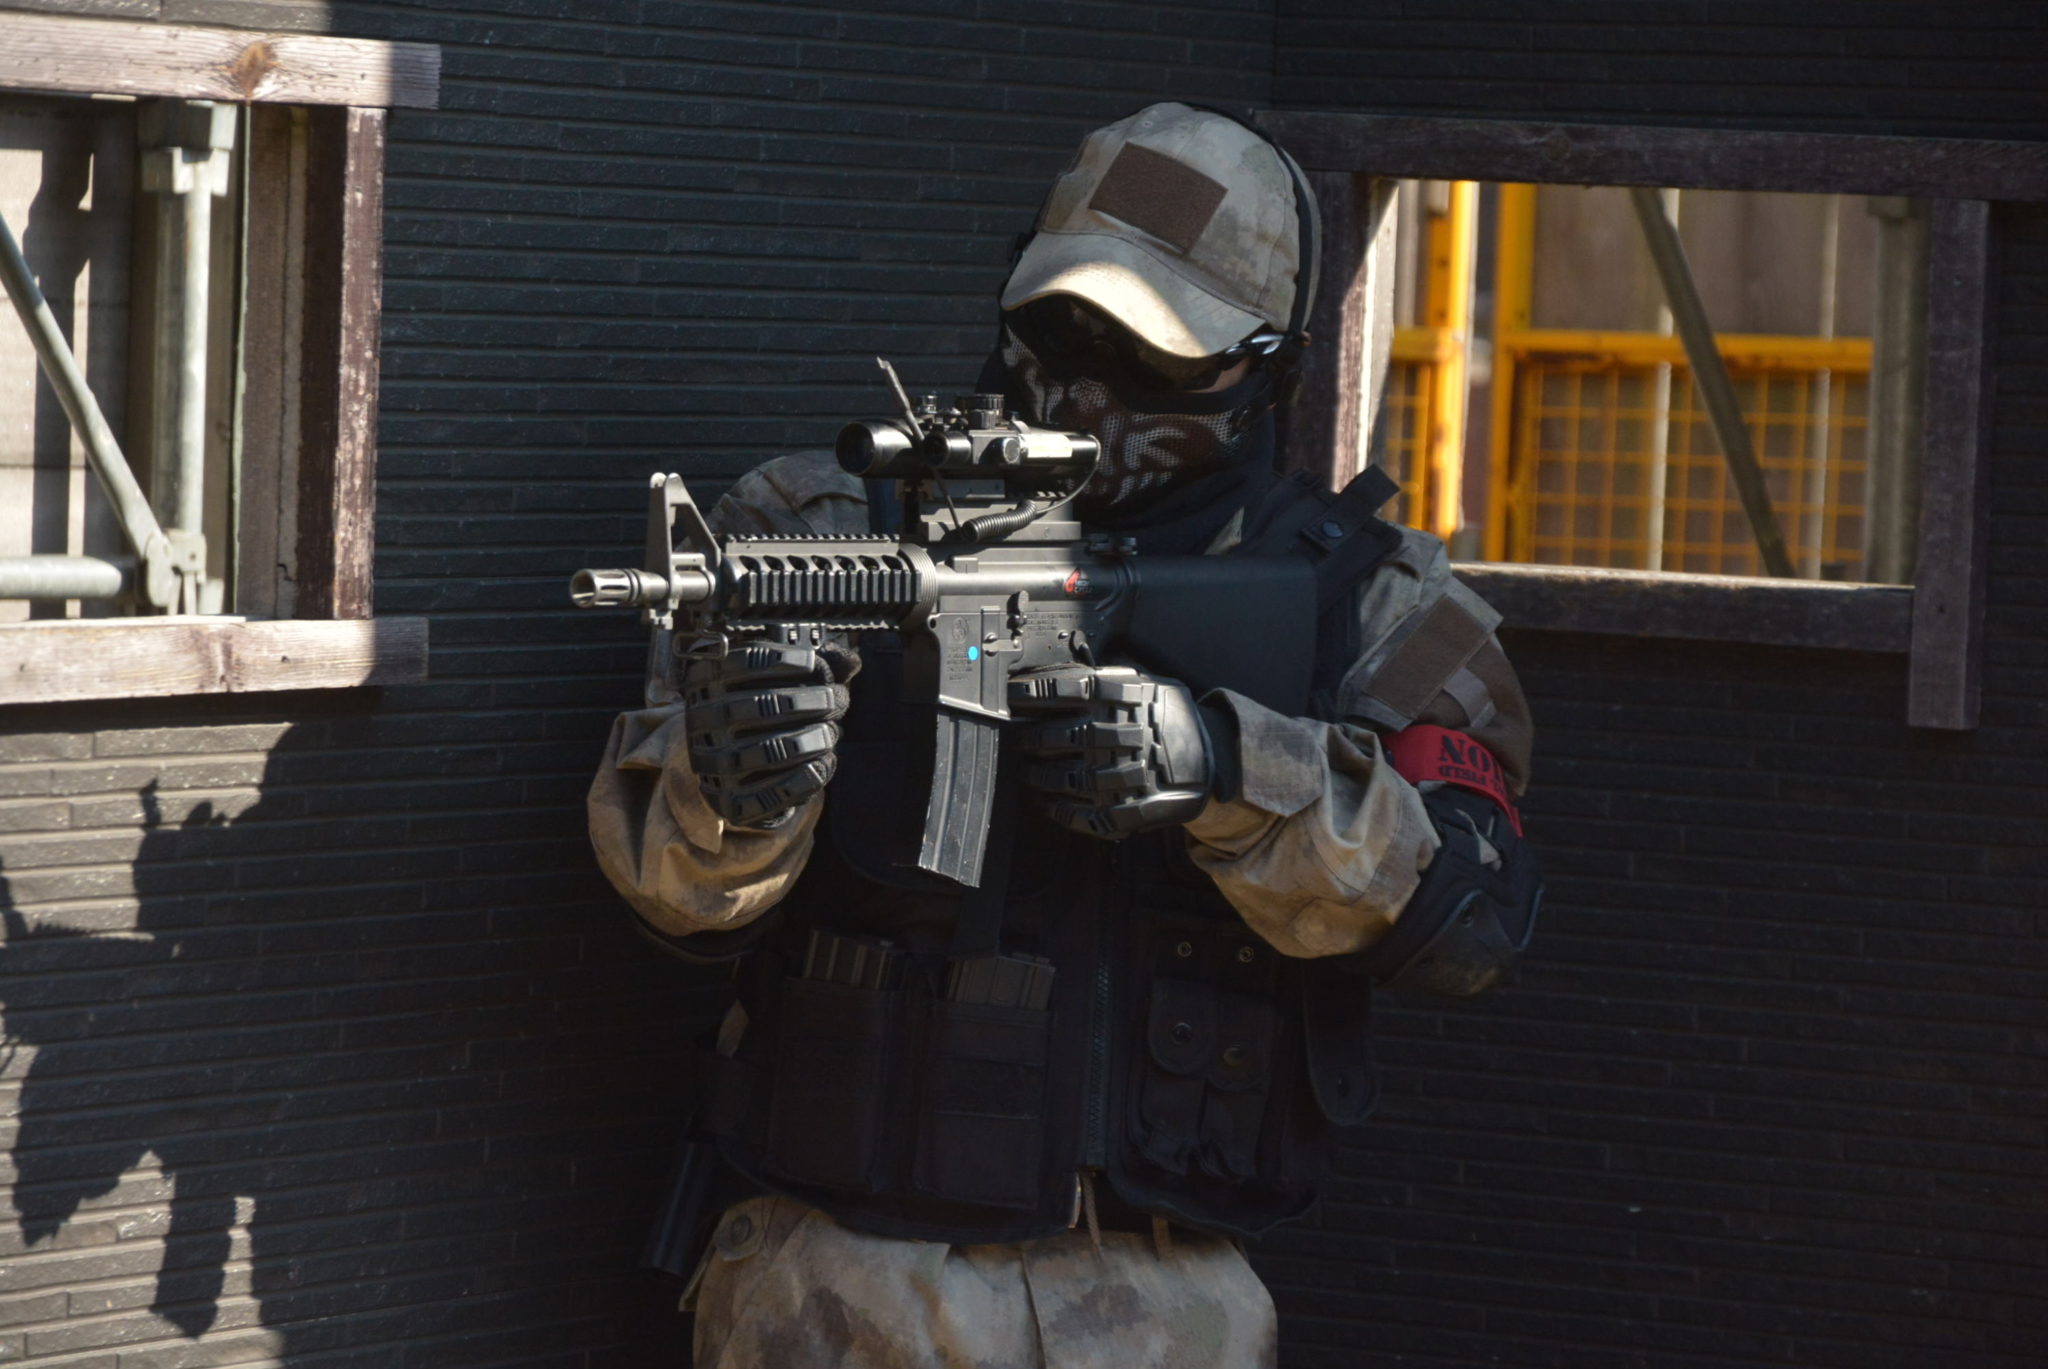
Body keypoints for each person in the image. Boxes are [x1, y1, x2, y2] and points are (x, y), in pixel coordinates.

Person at [587, 102, 1540, 1369]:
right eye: (1057, 327)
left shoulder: (1370, 608)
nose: (1086, 387)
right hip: (841, 1291)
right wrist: (738, 790)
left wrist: (1223, 766)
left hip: (1158, 1308)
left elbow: (1469, 918)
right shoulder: (813, 528)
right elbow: (669, 891)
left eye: (1152, 353)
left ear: (1265, 369)